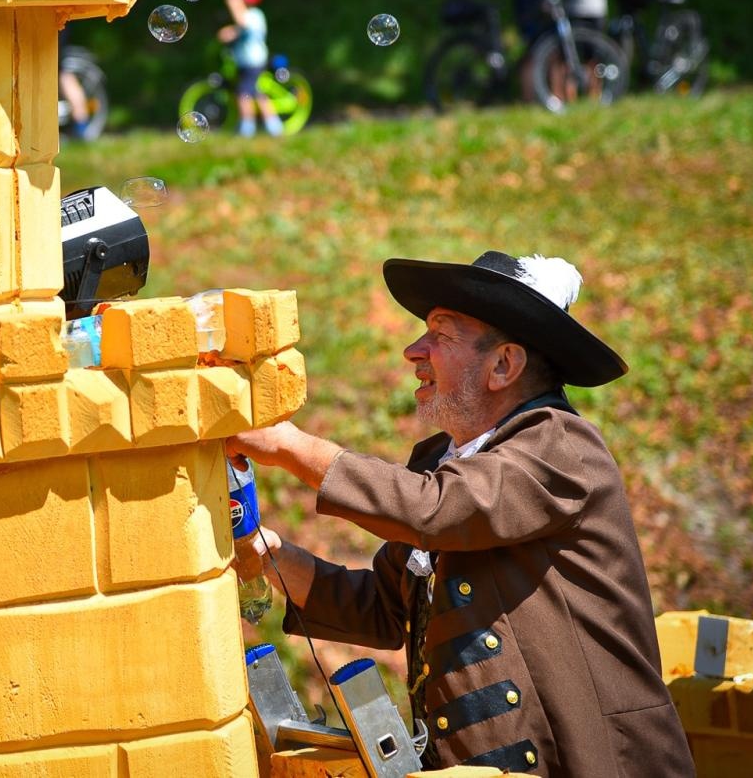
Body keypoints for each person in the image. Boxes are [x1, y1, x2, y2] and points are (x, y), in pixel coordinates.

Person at [228, 250, 695, 777]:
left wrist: (290, 447)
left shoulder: (561, 445)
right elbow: (384, 610)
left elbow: (436, 509)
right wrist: (270, 554)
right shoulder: (443, 465)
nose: (413, 350)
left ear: (504, 365)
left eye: (441, 335)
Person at [217, 0, 281, 138]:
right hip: (248, 62)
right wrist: (228, 33)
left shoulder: (253, 15)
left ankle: (247, 128)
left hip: (253, 62)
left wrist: (233, 4)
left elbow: (242, 22)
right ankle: (274, 127)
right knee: (257, 93)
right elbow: (239, 30)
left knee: (243, 94)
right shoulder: (250, 16)